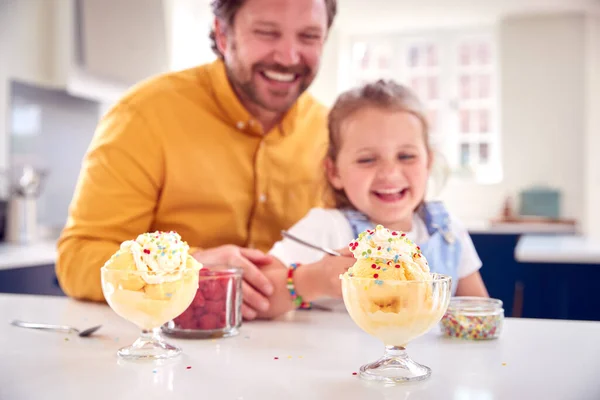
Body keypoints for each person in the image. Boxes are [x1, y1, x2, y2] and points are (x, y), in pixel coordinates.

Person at [55, 0, 338, 320]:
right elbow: (77, 260)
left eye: (310, 36)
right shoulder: (144, 115)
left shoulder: (333, 135)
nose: (288, 57)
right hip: (164, 353)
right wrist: (182, 267)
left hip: (296, 354)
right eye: (266, 33)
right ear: (222, 34)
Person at [252, 79, 489, 319]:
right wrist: (315, 279)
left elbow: (480, 313)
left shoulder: (448, 233)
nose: (389, 173)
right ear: (334, 172)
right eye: (367, 160)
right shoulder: (329, 227)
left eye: (406, 156)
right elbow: (255, 295)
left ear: (428, 162)